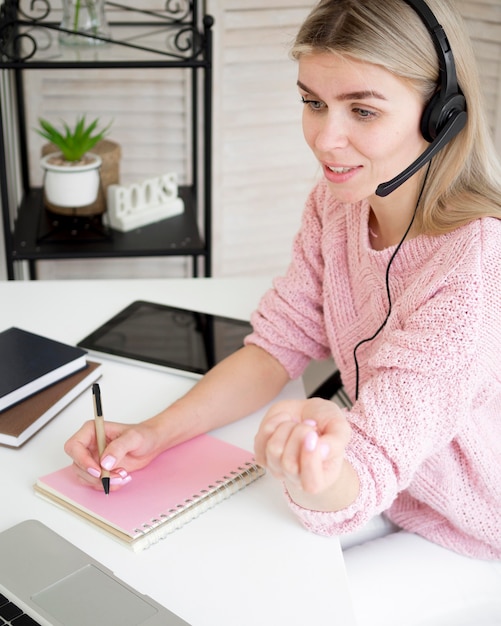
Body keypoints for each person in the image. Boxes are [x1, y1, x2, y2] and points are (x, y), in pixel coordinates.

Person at [65, 1, 501, 624]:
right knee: (207, 568)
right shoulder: (338, 202)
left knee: (283, 611)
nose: (326, 138)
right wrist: (153, 434)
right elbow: (279, 342)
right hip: (389, 489)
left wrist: (310, 472)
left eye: (364, 110)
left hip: (471, 526)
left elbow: (366, 465)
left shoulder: (478, 265)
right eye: (314, 102)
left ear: (443, 114)